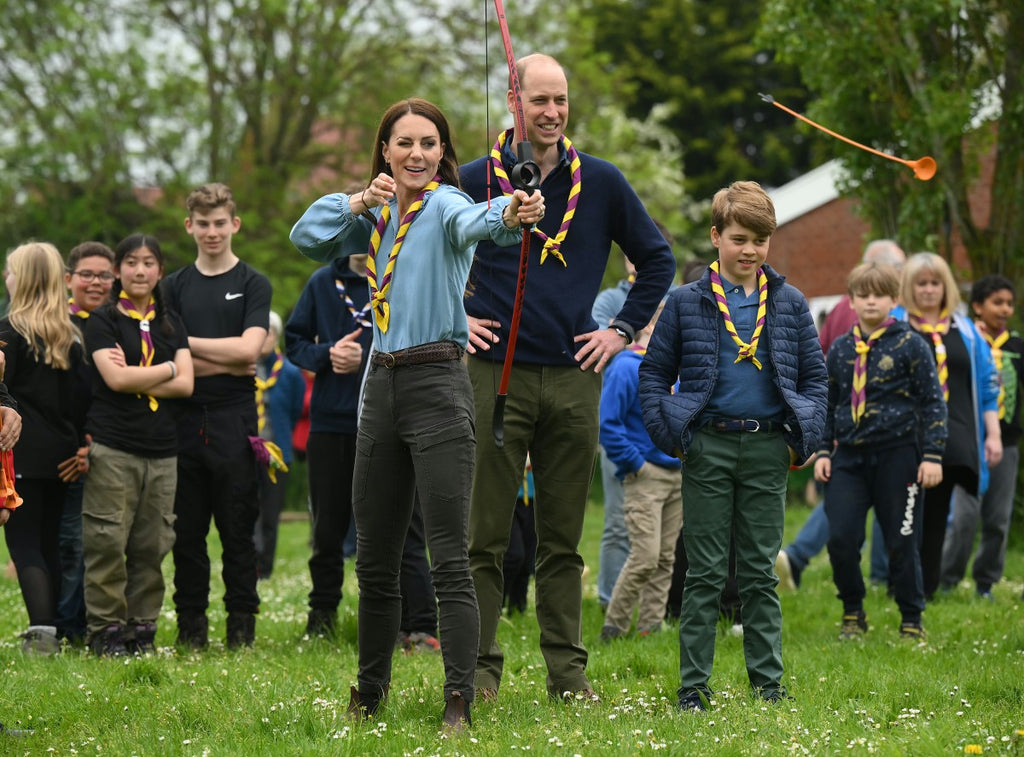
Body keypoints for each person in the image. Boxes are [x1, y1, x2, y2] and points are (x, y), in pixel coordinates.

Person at [290, 97, 542, 730]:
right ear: (385, 150)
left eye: (428, 144)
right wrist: (356, 202)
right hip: (379, 385)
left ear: (441, 152)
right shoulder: (372, 218)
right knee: (374, 557)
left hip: (437, 382)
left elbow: (484, 221)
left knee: (449, 556)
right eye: (404, 143)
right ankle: (369, 690)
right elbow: (304, 238)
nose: (417, 154)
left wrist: (514, 208)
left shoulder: (447, 205)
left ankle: (458, 696)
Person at [461, 53, 675, 703]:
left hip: (576, 377)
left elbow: (658, 258)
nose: (551, 112)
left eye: (561, 100)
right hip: (494, 375)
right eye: (539, 100)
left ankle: (567, 673)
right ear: (511, 100)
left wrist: (621, 330)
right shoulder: (474, 181)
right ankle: (478, 671)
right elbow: (419, 254)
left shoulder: (602, 182)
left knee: (562, 538)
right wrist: (454, 316)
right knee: (485, 536)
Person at [638, 181, 828, 711]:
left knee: (759, 573)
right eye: (740, 238)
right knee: (702, 572)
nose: (750, 251)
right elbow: (653, 374)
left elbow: (815, 379)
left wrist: (803, 438)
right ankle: (693, 689)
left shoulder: (788, 302)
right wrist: (675, 435)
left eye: (761, 240)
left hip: (768, 448)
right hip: (708, 447)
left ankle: (768, 686)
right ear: (716, 236)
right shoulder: (684, 302)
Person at [163, 182, 272, 650]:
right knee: (187, 535)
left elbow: (251, 350)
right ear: (190, 226)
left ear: (235, 224)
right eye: (203, 224)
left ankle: (241, 631)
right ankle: (191, 631)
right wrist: (216, 355)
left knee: (237, 531)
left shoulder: (253, 283)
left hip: (235, 419)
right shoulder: (172, 287)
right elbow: (167, 359)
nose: (212, 232)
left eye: (219, 223)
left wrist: (186, 348)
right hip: (182, 419)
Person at [814, 262, 946, 642]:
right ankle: (853, 611)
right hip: (849, 458)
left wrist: (933, 455)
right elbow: (829, 403)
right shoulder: (840, 350)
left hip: (899, 456)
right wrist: (823, 451)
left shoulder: (911, 344)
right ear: (852, 301)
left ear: (895, 300)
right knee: (840, 538)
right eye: (863, 294)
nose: (871, 301)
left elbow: (933, 403)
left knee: (901, 540)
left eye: (879, 295)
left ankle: (911, 618)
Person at [81, 234, 194, 656]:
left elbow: (186, 384)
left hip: (163, 450)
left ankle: (140, 630)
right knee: (107, 539)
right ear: (117, 270)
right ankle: (105, 632)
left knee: (152, 544)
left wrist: (143, 374)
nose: (140, 270)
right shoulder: (103, 320)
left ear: (160, 271)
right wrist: (167, 367)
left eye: (149, 262)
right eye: (131, 262)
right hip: (114, 446)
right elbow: (115, 380)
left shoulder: (172, 324)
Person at [776, 239, 906, 591]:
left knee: (842, 496)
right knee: (870, 498)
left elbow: (816, 359)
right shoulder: (883, 317)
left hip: (834, 418)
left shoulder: (837, 309)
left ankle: (800, 556)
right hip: (863, 424)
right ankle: (880, 574)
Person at [900, 252, 1001, 600]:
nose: (929, 290)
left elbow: (988, 386)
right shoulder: (896, 324)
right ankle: (899, 582)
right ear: (909, 288)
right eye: (921, 283)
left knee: (938, 511)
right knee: (904, 512)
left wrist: (993, 434)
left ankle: (926, 588)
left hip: (955, 434)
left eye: (935, 282)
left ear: (946, 286)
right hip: (905, 434)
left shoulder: (966, 330)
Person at [1, 242, 86, 655]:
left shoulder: (9, 331)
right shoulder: (70, 335)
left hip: (20, 451)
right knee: (50, 542)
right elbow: (79, 402)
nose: (6, 278)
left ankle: (42, 633)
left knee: (24, 543)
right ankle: (57, 627)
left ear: (26, 279)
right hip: (63, 454)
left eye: (11, 271)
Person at [285, 248, 373, 637]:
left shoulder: (392, 276)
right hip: (329, 422)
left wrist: (366, 353)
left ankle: (390, 620)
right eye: (351, 229)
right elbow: (294, 341)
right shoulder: (323, 282)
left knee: (385, 529)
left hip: (382, 419)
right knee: (327, 529)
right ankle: (321, 618)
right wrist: (328, 354)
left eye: (368, 227)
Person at [599, 306, 682, 641]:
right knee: (645, 557)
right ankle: (614, 625)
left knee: (665, 559)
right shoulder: (626, 367)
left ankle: (651, 626)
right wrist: (635, 464)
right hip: (644, 476)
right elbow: (608, 424)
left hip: (676, 475)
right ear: (647, 324)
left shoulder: (678, 371)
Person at [939, 275, 1022, 599]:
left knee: (998, 520)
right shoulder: (966, 341)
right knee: (964, 517)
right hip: (969, 439)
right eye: (997, 302)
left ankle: (985, 582)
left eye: (1009, 304)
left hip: (1008, 444)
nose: (1004, 309)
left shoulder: (1016, 346)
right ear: (977, 306)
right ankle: (947, 579)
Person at [57, 241, 116, 645]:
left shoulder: (120, 323)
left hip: (108, 443)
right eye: (87, 275)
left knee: (98, 542)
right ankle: (63, 625)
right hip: (62, 448)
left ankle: (86, 625)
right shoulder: (56, 325)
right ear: (68, 279)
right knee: (66, 542)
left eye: (103, 276)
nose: (95, 283)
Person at [593, 254, 636, 609]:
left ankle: (653, 604)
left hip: (655, 428)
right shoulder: (609, 299)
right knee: (618, 520)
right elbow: (597, 345)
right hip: (617, 424)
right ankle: (609, 599)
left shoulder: (675, 296)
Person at [253, 310, 304, 580]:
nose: (262, 338)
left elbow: (295, 410)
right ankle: (246, 564)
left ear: (276, 336)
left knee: (270, 515)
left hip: (277, 452)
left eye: (268, 332)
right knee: (247, 510)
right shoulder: (242, 367)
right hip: (245, 450)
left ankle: (265, 568)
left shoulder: (290, 373)